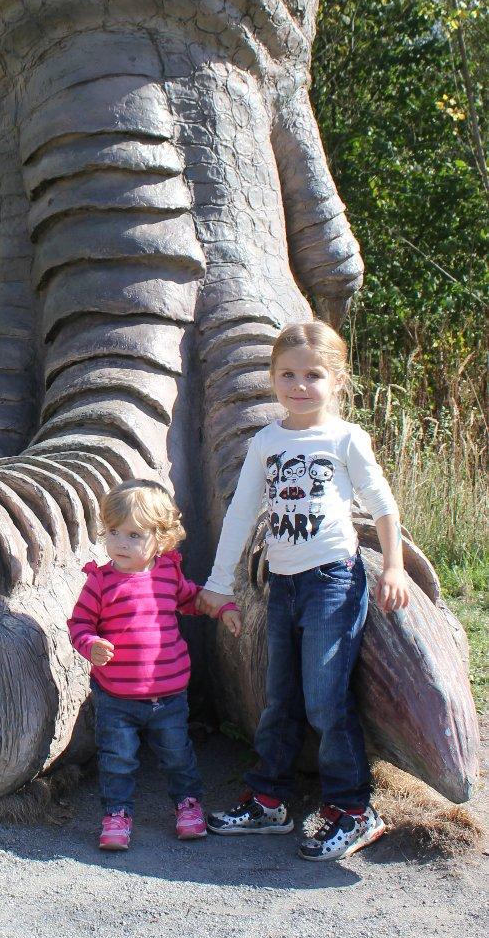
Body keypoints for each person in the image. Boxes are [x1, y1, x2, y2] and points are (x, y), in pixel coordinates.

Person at [198, 320, 409, 861]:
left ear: (337, 380)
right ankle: (269, 800)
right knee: (280, 699)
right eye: (287, 374)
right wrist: (218, 584)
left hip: (332, 583)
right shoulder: (266, 442)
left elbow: (382, 504)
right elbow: (242, 513)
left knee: (325, 700)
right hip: (283, 584)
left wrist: (394, 567)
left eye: (313, 375)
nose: (299, 386)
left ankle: (354, 809)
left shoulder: (345, 438)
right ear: (272, 378)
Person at [68, 483, 240, 850]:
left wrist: (222, 607)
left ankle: (188, 805)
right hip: (116, 696)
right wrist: (91, 644)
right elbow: (79, 624)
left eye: (134, 535)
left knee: (177, 755)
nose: (121, 543)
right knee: (117, 759)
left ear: (160, 539)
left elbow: (192, 600)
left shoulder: (167, 574)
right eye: (114, 532)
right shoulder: (100, 582)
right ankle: (116, 814)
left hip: (169, 694)